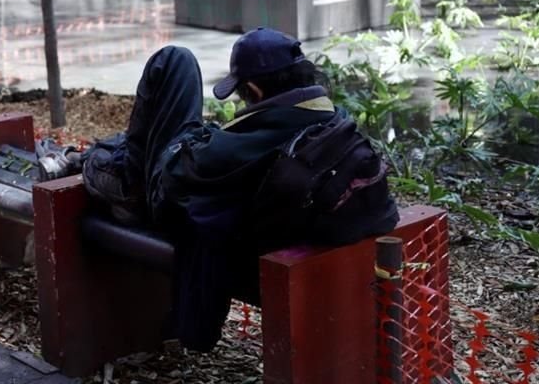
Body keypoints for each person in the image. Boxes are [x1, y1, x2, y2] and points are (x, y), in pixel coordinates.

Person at [83, 27, 399, 351]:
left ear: (254, 89)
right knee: (129, 140)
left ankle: (117, 176)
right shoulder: (331, 119)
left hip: (173, 203)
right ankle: (114, 159)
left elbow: (174, 171)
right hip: (268, 223)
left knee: (174, 61)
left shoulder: (249, 142)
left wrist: (201, 139)